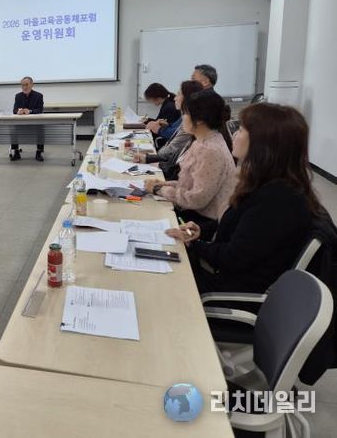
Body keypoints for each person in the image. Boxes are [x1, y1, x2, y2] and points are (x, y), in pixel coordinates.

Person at [166, 103, 319, 294]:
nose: (234, 135)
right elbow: (236, 223)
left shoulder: (278, 200)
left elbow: (233, 257)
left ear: (262, 142)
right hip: (223, 272)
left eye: (240, 130)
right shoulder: (264, 181)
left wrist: (194, 244)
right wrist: (199, 231)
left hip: (229, 287)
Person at [144, 90, 236, 233]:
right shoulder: (201, 141)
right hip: (192, 213)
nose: (182, 119)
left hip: (200, 223)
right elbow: (190, 185)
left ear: (199, 120)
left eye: (185, 114)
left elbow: (196, 199)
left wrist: (159, 189)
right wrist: (165, 184)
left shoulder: (210, 150)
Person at [133, 80, 202, 180]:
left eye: (179, 94)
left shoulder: (190, 122)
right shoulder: (185, 117)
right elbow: (175, 128)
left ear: (187, 99)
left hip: (169, 167)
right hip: (167, 162)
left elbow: (172, 146)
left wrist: (150, 158)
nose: (175, 98)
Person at [10, 76, 45, 162]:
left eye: (26, 85)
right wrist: (18, 111)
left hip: (35, 123)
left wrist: (30, 111)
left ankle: (39, 152)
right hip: (21, 123)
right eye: (22, 85)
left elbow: (40, 110)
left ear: (32, 85)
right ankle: (16, 152)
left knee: (41, 129)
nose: (24, 87)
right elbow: (14, 110)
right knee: (13, 129)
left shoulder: (38, 96)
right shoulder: (18, 96)